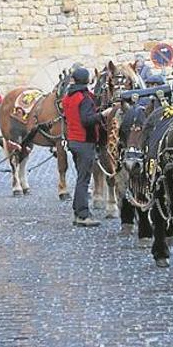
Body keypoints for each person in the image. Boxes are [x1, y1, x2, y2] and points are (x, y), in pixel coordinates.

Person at [62, 67, 116, 227]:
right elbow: (86, 120)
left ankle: (78, 211)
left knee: (81, 178)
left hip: (74, 141)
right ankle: (83, 215)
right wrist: (103, 115)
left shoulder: (68, 96)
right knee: (83, 180)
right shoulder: (83, 98)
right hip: (84, 142)